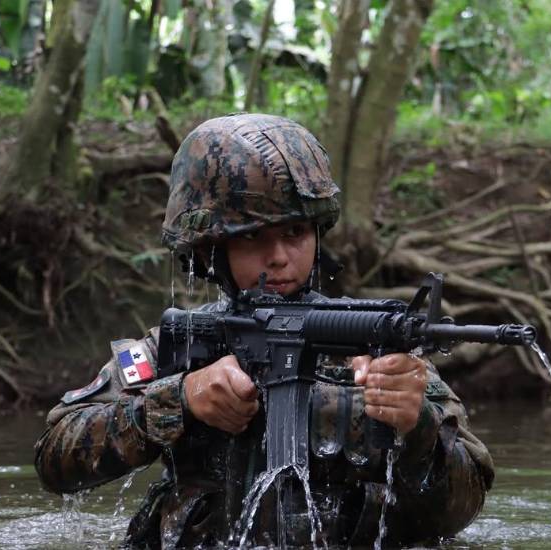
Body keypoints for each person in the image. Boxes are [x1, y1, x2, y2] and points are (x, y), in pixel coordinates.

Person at [34, 113, 494, 548]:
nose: (279, 257)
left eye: (295, 232)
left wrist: (417, 428)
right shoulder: (178, 346)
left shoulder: (376, 352)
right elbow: (56, 458)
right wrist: (181, 399)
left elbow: (462, 509)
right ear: (211, 248)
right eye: (252, 237)